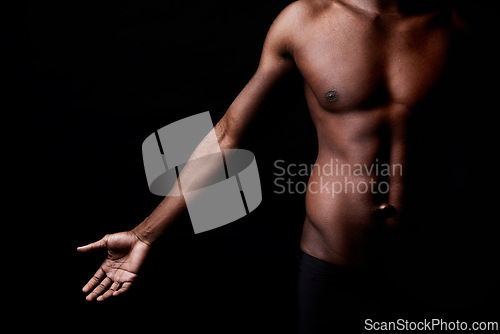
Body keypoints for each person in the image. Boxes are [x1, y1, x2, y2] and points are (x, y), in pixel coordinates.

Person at [78, 0, 470, 332]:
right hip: (332, 265)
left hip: (435, 261)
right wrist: (145, 235)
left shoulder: (460, 24)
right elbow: (229, 134)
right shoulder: (305, 21)